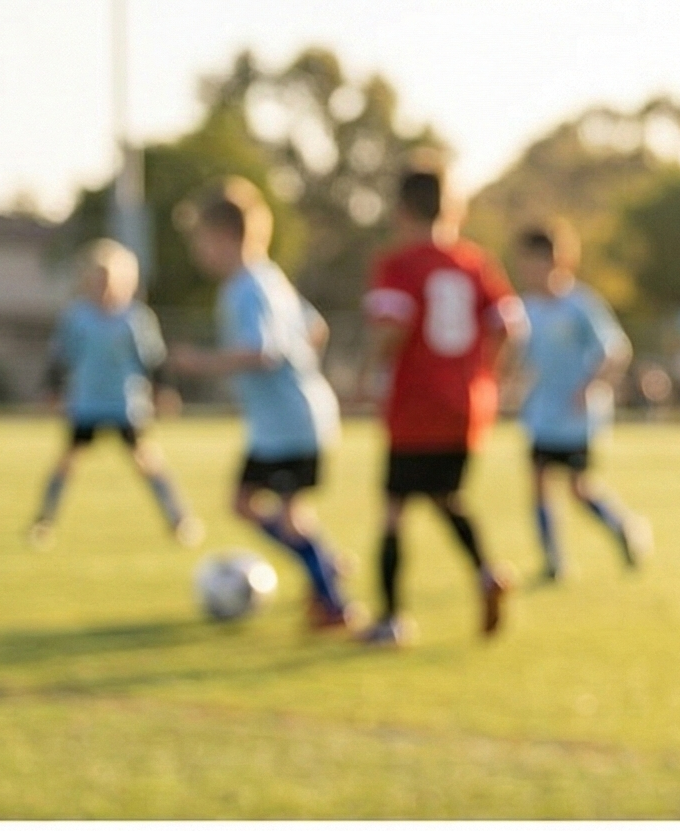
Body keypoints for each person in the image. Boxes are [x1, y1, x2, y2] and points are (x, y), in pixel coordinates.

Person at [172, 178, 356, 631]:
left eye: (201, 240)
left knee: (279, 514)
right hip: (292, 417)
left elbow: (263, 352)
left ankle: (332, 599)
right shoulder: (271, 279)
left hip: (288, 423)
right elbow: (317, 328)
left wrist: (201, 362)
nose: (199, 252)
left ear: (223, 237)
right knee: (252, 504)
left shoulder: (244, 288)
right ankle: (325, 568)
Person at [358, 156, 526, 646]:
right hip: (467, 406)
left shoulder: (399, 263)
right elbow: (510, 326)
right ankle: (486, 573)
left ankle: (391, 619)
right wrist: (488, 375)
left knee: (393, 508)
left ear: (401, 209)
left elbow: (395, 325)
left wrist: (370, 371)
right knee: (444, 495)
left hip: (416, 404)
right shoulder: (474, 262)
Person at [30, 238, 198, 550]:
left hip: (125, 405)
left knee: (146, 460)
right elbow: (60, 357)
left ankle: (179, 519)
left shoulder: (135, 318)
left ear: (124, 281)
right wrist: (51, 389)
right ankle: (43, 521)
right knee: (66, 462)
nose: (103, 286)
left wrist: (164, 391)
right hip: (87, 403)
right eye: (97, 279)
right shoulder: (77, 318)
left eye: (109, 279)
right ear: (87, 280)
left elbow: (153, 359)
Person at [513, 221, 649, 583]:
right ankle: (554, 563)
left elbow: (616, 350)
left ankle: (623, 526)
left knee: (578, 488)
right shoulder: (525, 308)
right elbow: (520, 357)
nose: (527, 270)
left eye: (534, 262)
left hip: (575, 416)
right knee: (539, 482)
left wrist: (590, 386)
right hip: (541, 413)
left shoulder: (580, 304)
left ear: (556, 261)